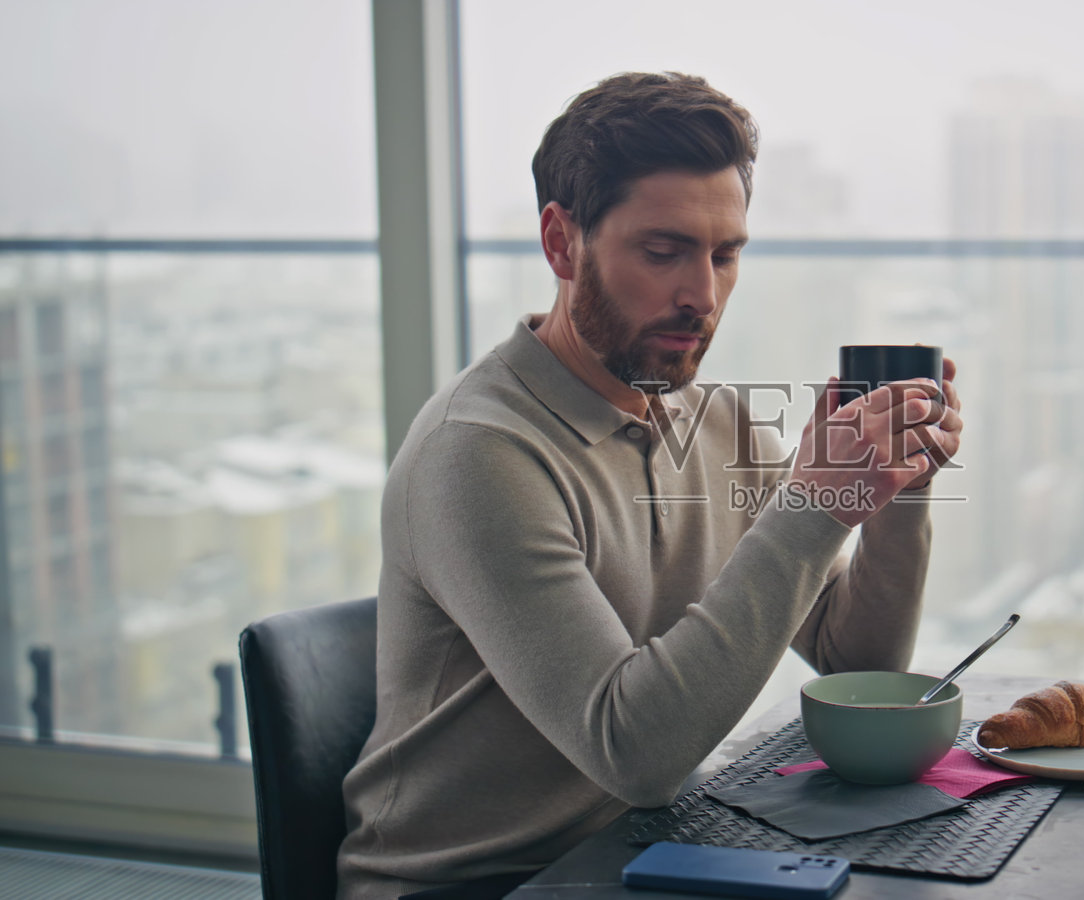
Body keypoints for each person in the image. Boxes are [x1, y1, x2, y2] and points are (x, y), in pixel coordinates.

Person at [335, 72, 963, 899]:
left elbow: (862, 659)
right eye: (662, 252)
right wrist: (814, 505)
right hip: (481, 883)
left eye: (725, 255)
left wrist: (895, 491)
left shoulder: (721, 426)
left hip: (647, 852)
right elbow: (636, 753)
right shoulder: (478, 455)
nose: (702, 295)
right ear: (562, 244)